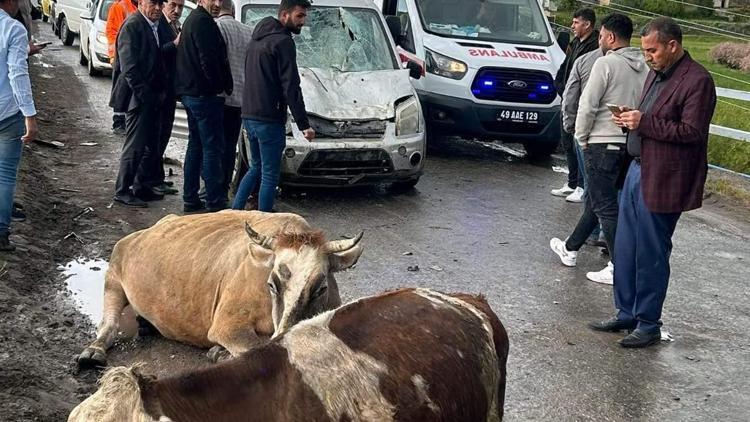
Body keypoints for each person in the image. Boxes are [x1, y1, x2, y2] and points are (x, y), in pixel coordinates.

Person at [589, 17, 717, 348]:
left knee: (651, 252)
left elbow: (691, 133)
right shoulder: (655, 74)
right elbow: (652, 120)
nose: (647, 56)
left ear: (672, 45)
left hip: (663, 177)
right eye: (645, 50)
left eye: (653, 50)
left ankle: (648, 322)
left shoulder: (697, 80)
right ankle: (627, 312)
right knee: (626, 247)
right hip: (636, 169)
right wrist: (629, 120)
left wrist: (643, 122)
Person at [550, 14, 647, 285]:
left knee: (605, 206)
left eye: (602, 35)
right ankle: (570, 248)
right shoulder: (644, 67)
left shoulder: (605, 63)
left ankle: (618, 266)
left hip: (600, 142)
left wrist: (580, 137)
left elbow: (587, 103)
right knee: (596, 200)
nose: (600, 40)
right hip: (627, 145)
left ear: (611, 37)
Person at [232, 0, 315, 212]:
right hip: (268, 119)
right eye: (299, 16)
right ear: (284, 15)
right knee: (270, 174)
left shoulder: (256, 39)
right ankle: (265, 219)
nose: (303, 22)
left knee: (255, 168)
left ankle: (234, 212)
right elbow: (291, 86)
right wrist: (304, 124)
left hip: (249, 115)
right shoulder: (283, 42)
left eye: (304, 16)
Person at [111, 0, 176, 207]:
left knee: (150, 146)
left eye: (159, 3)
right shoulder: (133, 25)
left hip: (153, 97)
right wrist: (146, 96)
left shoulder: (151, 25)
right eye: (152, 3)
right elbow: (129, 69)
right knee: (135, 146)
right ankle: (123, 190)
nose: (157, 8)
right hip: (138, 99)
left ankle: (141, 186)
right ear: (140, 3)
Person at [175, 0, 233, 213]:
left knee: (196, 146)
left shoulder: (195, 20)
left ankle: (191, 198)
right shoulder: (203, 22)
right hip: (204, 96)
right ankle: (214, 200)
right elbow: (208, 60)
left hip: (192, 94)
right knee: (212, 149)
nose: (217, 4)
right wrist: (218, 87)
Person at [0, 0, 38, 251]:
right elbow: (17, 73)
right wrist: (30, 115)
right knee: (4, 175)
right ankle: (1, 233)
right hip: (8, 112)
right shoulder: (13, 29)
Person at [552, 8, 598, 203]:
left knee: (578, 143)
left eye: (576, 22)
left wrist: (573, 96)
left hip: (581, 102)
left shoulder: (594, 46)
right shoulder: (575, 43)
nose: (572, 26)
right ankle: (571, 182)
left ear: (587, 24)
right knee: (567, 142)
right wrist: (560, 87)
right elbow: (565, 67)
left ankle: (580, 185)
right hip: (568, 99)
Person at [215, 0, 252, 193]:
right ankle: (226, 183)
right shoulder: (248, 31)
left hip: (221, 96)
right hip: (241, 98)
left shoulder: (216, 28)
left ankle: (214, 185)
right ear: (232, 9)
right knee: (230, 146)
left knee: (215, 145)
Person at [107, 0, 138, 135]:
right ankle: (118, 121)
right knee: (121, 88)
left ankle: (125, 119)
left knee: (127, 88)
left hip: (129, 54)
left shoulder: (137, 6)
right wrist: (116, 54)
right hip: (121, 54)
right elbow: (112, 31)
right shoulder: (120, 6)